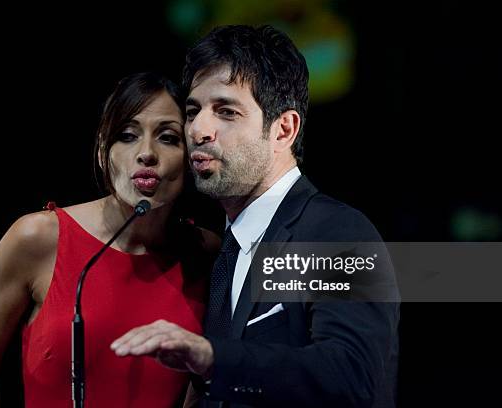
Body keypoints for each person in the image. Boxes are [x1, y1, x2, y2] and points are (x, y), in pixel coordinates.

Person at [110, 25, 400, 408]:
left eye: (226, 111)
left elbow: (354, 376)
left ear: (283, 130)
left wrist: (213, 358)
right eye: (193, 111)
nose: (199, 130)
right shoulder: (221, 250)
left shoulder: (333, 231)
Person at [0, 72, 220, 407]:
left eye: (168, 138)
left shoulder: (207, 254)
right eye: (127, 136)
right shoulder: (37, 238)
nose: (146, 154)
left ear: (192, 158)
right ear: (101, 151)